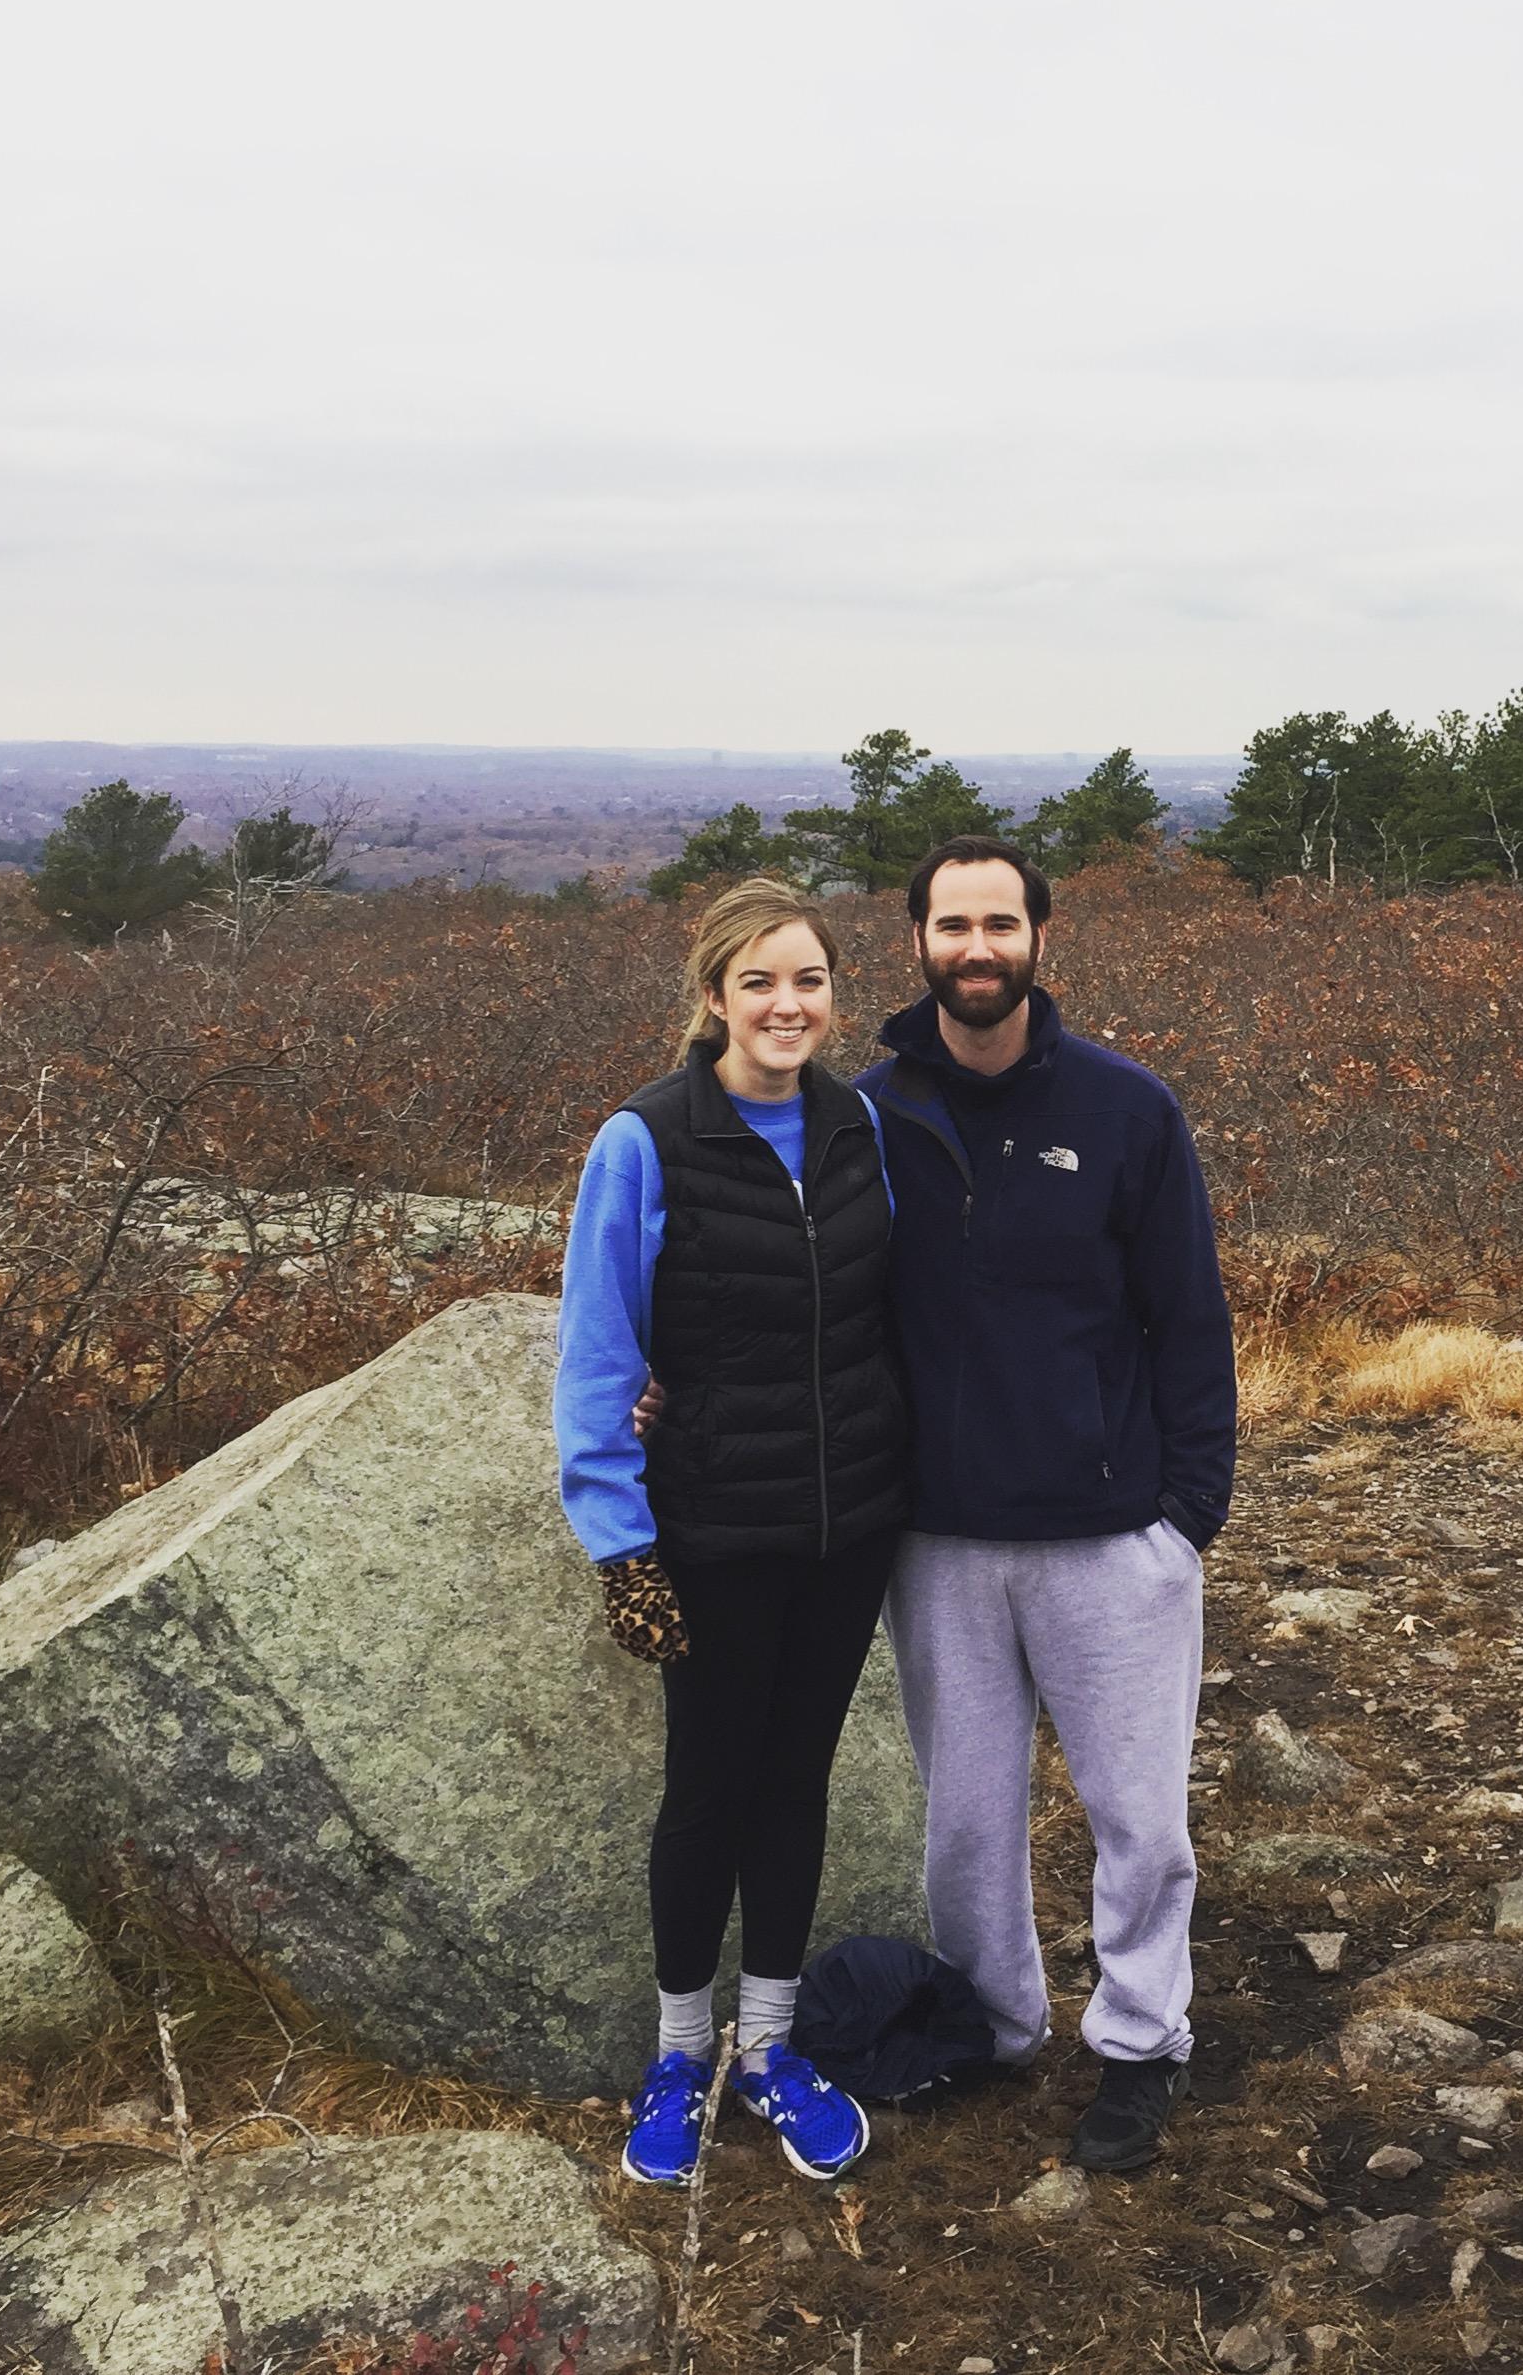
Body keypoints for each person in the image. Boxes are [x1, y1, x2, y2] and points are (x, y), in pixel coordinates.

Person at [859, 835, 1236, 2172]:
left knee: (1140, 1817)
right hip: (938, 1538)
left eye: (999, 924)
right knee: (965, 1823)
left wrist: (1185, 1516)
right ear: (915, 942)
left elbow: (1189, 1318)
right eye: (951, 923)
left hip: (1109, 1537)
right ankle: (995, 2026)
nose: (977, 947)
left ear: (1038, 939)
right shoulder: (866, 1116)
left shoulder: (1128, 1110)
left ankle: (1140, 2045)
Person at [554, 876, 909, 2187]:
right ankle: (678, 2053)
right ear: (713, 999)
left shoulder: (861, 1127)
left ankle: (768, 2049)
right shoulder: (644, 1142)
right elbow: (597, 1356)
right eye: (757, 981)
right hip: (711, 1527)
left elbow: (894, 1313)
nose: (786, 1004)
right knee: (708, 1789)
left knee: (796, 1780)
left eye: (807, 980)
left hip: (848, 1522)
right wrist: (621, 1542)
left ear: (834, 997)